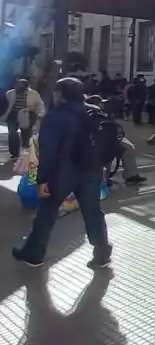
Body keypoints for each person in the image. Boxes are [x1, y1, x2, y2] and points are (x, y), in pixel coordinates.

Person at [13, 78, 113, 269]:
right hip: (91, 170)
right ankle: (102, 252)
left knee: (46, 213)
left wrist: (42, 179)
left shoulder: (55, 116)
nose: (54, 94)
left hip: (62, 173)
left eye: (56, 91)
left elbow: (48, 151)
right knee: (93, 213)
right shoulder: (94, 112)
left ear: (62, 94)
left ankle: (34, 254)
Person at [4, 78, 45, 160]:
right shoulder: (10, 93)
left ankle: (25, 152)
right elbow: (7, 104)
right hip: (13, 114)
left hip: (27, 114)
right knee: (12, 133)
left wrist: (40, 114)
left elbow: (40, 105)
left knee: (26, 134)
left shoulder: (33, 94)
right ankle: (14, 153)